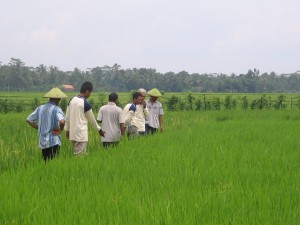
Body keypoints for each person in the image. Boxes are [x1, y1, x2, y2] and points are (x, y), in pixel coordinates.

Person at [26, 87, 67, 162]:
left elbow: (28, 119)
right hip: (53, 141)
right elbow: (62, 121)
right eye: (59, 98)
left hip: (43, 142)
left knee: (46, 164)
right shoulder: (57, 109)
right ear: (57, 99)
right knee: (53, 164)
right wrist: (60, 130)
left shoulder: (40, 108)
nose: (60, 100)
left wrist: (40, 128)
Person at [65, 81, 105, 155]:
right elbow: (92, 119)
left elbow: (67, 117)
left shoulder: (71, 100)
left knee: (76, 154)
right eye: (90, 92)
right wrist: (99, 130)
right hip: (81, 133)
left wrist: (67, 130)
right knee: (80, 156)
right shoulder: (85, 103)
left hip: (73, 133)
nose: (90, 94)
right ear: (87, 91)